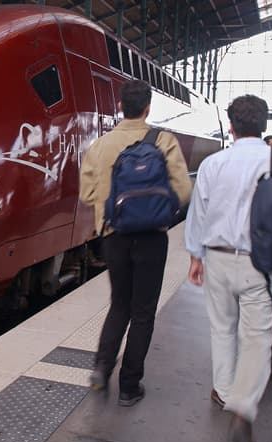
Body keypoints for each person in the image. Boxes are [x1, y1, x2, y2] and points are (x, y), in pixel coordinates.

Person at [185, 94, 272, 442]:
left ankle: (224, 392)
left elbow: (199, 213)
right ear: (264, 125)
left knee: (222, 328)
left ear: (231, 126)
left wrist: (195, 256)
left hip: (218, 257)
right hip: (263, 262)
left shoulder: (214, 163)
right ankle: (242, 407)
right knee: (257, 337)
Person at [80, 80, 191, 407]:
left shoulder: (100, 145)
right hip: (152, 239)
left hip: (115, 237)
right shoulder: (164, 141)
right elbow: (183, 191)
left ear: (120, 106)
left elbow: (87, 194)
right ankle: (129, 386)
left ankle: (102, 367)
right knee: (143, 312)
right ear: (147, 108)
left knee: (119, 304)